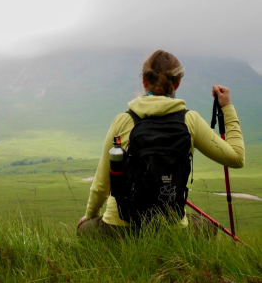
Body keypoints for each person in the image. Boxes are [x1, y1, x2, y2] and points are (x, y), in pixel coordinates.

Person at [77, 50, 245, 237]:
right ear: (177, 83)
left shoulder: (124, 121)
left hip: (121, 228)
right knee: (208, 228)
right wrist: (227, 108)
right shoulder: (190, 120)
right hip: (172, 228)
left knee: (84, 231)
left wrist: (90, 217)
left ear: (144, 81)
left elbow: (102, 183)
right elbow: (237, 158)